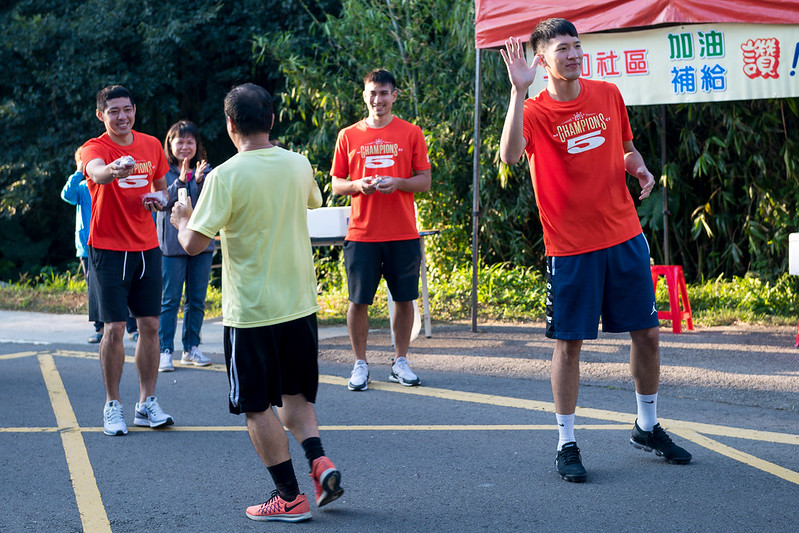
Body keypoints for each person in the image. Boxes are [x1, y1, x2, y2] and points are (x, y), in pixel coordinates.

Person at [498, 18, 691, 483]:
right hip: (570, 247)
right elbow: (509, 155)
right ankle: (566, 442)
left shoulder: (607, 95)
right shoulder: (534, 111)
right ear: (542, 60)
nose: (573, 54)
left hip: (624, 235)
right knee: (570, 345)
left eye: (576, 45)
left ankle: (647, 426)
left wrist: (639, 169)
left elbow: (625, 150)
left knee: (648, 334)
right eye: (562, 49)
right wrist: (518, 92)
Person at [171, 83, 343, 522]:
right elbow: (312, 200)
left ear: (230, 124)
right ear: (272, 119)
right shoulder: (298, 163)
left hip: (251, 312)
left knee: (255, 406)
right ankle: (320, 461)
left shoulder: (223, 176)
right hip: (299, 304)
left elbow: (193, 245)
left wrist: (182, 218)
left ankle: (289, 497)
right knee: (294, 395)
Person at [330, 68, 432, 391]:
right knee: (358, 301)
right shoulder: (348, 135)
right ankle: (360, 363)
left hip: (402, 231)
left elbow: (424, 180)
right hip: (362, 234)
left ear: (394, 96)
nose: (378, 99)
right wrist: (357, 185)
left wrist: (398, 183)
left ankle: (400, 361)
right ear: (365, 96)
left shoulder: (411, 132)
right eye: (372, 93)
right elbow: (336, 184)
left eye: (384, 93)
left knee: (405, 299)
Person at [81, 85, 174, 437]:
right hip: (107, 249)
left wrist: (160, 200)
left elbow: (162, 188)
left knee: (150, 325)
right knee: (115, 328)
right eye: (114, 111)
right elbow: (97, 172)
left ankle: (146, 402)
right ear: (100, 115)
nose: (122, 116)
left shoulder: (151, 144)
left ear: (135, 109)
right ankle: (113, 404)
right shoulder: (95, 147)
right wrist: (115, 168)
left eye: (127, 109)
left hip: (147, 247)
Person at [61, 148, 139, 345]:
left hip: (115, 242)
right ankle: (100, 328)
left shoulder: (112, 183)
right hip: (88, 246)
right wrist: (79, 172)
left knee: (124, 284)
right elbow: (66, 195)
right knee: (95, 289)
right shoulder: (81, 187)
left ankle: (132, 327)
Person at [155, 120, 214, 372]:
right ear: (170, 144)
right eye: (180, 142)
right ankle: (165, 351)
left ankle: (191, 348)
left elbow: (212, 205)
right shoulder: (161, 172)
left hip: (202, 243)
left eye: (190, 142)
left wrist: (198, 182)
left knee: (197, 300)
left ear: (197, 145)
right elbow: (162, 202)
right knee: (170, 300)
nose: (185, 147)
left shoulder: (207, 172)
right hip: (172, 246)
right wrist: (180, 181)